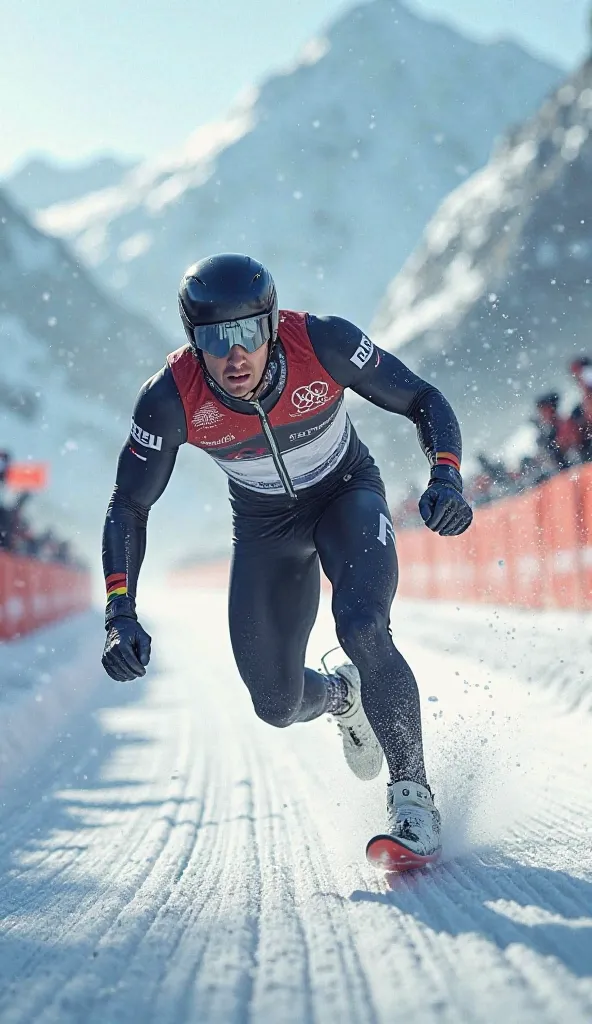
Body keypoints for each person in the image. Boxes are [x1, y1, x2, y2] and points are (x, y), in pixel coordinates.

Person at [101, 253, 473, 865]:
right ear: (193, 344)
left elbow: (422, 399)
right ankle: (341, 700)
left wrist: (447, 475)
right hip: (264, 527)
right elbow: (129, 506)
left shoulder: (322, 342)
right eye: (215, 339)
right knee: (275, 704)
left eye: (249, 331)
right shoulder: (169, 399)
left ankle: (413, 801)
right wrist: (120, 611)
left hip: (345, 493)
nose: (235, 354)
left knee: (362, 627)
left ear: (272, 323)